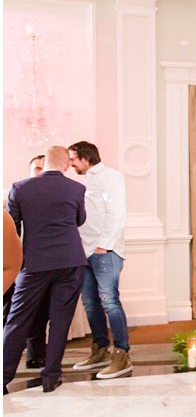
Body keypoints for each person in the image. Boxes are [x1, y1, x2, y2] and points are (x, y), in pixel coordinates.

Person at [2, 146, 86, 395]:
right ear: (67, 165)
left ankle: (3, 376)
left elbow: (12, 227)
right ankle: (51, 377)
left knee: (17, 321)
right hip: (70, 261)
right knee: (60, 321)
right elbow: (79, 220)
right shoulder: (76, 188)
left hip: (34, 264)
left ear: (44, 163)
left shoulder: (20, 188)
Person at [66, 141, 131, 380]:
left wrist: (104, 244)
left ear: (86, 157)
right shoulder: (80, 182)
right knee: (90, 304)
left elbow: (116, 212)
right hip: (82, 251)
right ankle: (100, 350)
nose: (70, 163)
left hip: (105, 250)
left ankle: (122, 354)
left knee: (109, 301)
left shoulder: (110, 177)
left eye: (73, 158)